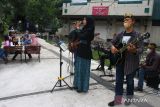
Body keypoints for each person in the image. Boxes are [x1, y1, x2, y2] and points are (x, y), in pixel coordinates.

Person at [108, 13, 144, 106]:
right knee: (118, 81)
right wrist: (112, 47)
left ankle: (129, 99)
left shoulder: (138, 35)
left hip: (131, 63)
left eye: (127, 20)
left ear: (133, 22)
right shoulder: (120, 34)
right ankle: (118, 100)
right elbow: (111, 42)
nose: (125, 22)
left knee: (130, 82)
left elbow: (141, 49)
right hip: (119, 61)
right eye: (124, 20)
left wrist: (134, 50)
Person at [73, 16, 95, 93]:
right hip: (80, 50)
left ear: (89, 21)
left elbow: (83, 36)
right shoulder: (84, 29)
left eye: (85, 19)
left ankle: (82, 87)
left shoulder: (90, 30)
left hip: (85, 52)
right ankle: (77, 85)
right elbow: (77, 37)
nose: (83, 20)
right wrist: (76, 28)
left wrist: (78, 29)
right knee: (78, 69)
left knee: (83, 70)